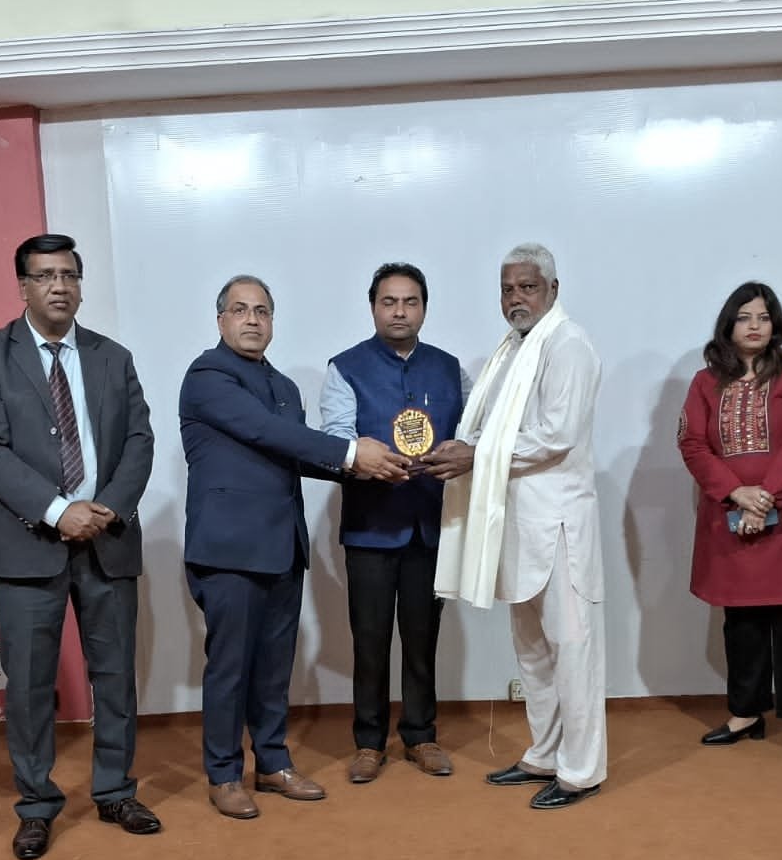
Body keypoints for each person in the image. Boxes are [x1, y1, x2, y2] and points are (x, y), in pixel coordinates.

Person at [0, 233, 157, 860]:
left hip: (107, 539)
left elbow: (140, 440)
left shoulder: (112, 356)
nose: (59, 286)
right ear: (23, 286)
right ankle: (37, 805)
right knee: (29, 684)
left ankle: (115, 790)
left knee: (115, 676)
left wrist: (106, 509)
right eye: (45, 276)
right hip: (26, 544)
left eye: (69, 274)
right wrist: (57, 510)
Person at [181, 274, 409, 819]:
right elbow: (268, 433)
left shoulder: (283, 385)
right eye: (241, 310)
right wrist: (352, 453)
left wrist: (370, 468)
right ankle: (224, 773)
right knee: (230, 667)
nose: (252, 320)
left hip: (282, 545)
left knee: (274, 666)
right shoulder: (208, 376)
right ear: (220, 320)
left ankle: (273, 762)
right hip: (229, 550)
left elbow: (299, 454)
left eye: (262, 311)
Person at [426, 243, 607, 810]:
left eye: (527, 287)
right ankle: (545, 753)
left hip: (559, 526)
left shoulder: (568, 345)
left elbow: (556, 435)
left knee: (571, 649)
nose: (515, 299)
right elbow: (496, 430)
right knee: (532, 651)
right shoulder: (513, 349)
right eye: (507, 289)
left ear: (553, 289)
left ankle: (581, 770)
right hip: (516, 525)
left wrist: (474, 454)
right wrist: (468, 449)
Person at [320, 263, 468, 784]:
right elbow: (335, 439)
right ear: (373, 308)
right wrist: (362, 459)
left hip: (430, 525)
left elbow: (472, 431)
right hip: (371, 527)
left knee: (423, 638)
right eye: (389, 301)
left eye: (410, 301)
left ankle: (421, 735)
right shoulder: (345, 368)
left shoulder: (451, 369)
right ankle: (368, 742)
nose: (399, 311)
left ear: (424, 308)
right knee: (370, 639)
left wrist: (463, 451)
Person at [678, 282, 782, 759]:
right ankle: (746, 712)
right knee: (741, 623)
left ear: (775, 324)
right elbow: (692, 444)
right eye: (744, 317)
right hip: (728, 516)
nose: (755, 325)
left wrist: (764, 498)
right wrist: (736, 493)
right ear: (728, 325)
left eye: (763, 317)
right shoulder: (705, 381)